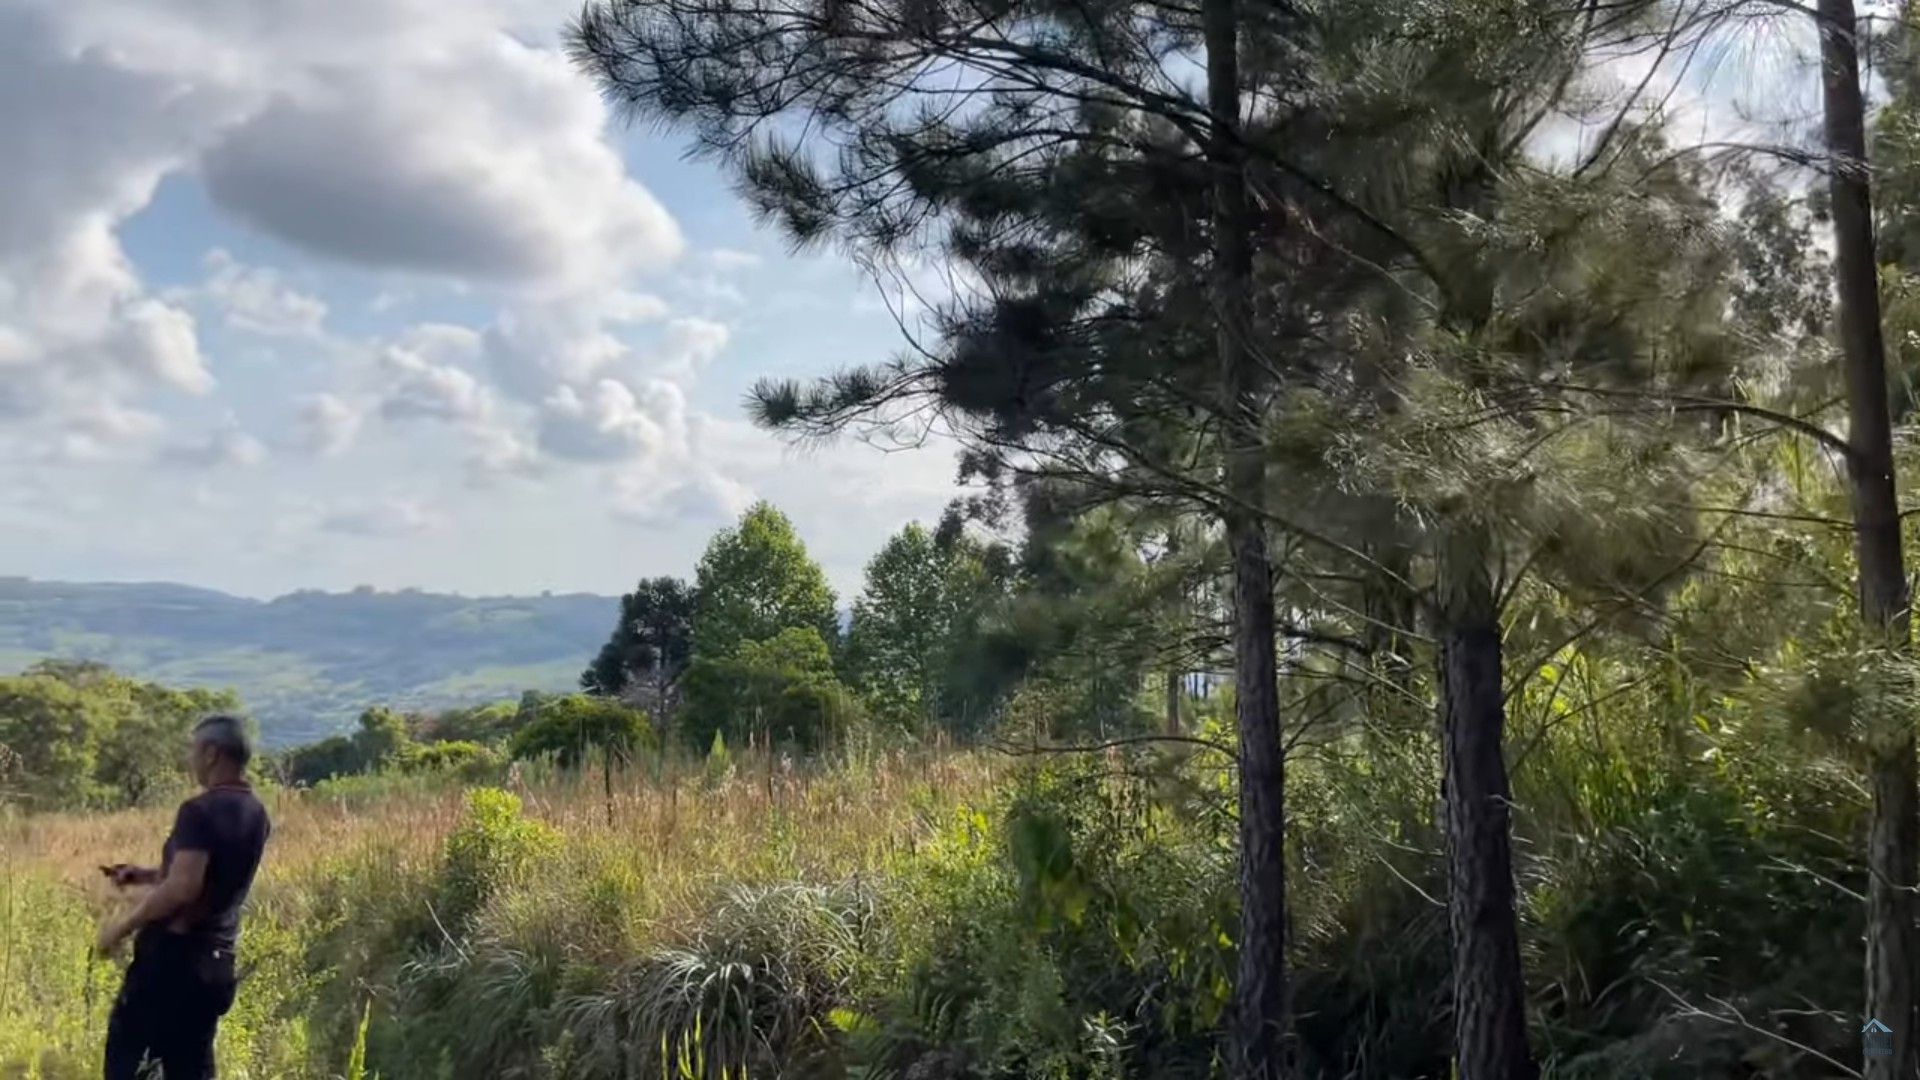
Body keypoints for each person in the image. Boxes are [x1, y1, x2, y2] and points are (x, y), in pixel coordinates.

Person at [96, 714, 272, 1080]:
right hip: (215, 963)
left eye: (194, 751)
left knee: (133, 1063)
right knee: (191, 1066)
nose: (190, 760)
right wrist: (143, 875)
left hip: (173, 962)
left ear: (211, 754)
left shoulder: (198, 811)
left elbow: (183, 888)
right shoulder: (256, 812)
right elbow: (203, 876)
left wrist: (122, 927)